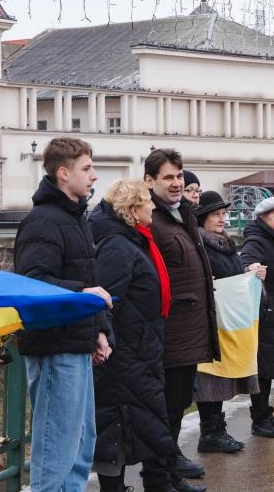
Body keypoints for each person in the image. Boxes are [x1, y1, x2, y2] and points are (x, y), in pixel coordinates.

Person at [13, 137, 115, 492]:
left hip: (74, 343)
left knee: (79, 447)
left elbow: (88, 278)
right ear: (62, 173)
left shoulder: (74, 219)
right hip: (54, 348)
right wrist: (84, 295)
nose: (94, 176)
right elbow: (33, 283)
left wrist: (98, 331)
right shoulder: (44, 221)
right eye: (87, 169)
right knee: (56, 448)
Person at [88, 179, 175, 492]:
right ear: (134, 209)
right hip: (124, 353)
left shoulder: (130, 240)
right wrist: (108, 339)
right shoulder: (117, 245)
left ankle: (148, 482)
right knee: (116, 422)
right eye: (148, 202)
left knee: (134, 420)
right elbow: (107, 299)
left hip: (137, 348)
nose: (153, 206)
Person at [144, 148, 217, 492]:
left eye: (179, 176)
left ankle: (170, 474)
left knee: (177, 406)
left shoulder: (183, 213)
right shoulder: (151, 219)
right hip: (170, 331)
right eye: (168, 177)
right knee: (166, 410)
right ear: (149, 181)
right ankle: (160, 479)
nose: (176, 183)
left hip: (188, 330)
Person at [194, 191, 258, 450]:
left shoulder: (225, 243)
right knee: (210, 379)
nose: (222, 219)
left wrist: (249, 274)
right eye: (216, 214)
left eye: (223, 214)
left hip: (228, 320)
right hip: (212, 321)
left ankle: (216, 429)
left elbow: (232, 274)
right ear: (203, 218)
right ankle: (209, 432)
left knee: (221, 379)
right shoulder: (201, 244)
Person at [241, 196, 274, 437]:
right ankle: (259, 417)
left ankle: (265, 413)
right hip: (266, 311)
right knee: (262, 366)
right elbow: (245, 261)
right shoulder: (257, 239)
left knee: (271, 365)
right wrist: (251, 268)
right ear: (264, 218)